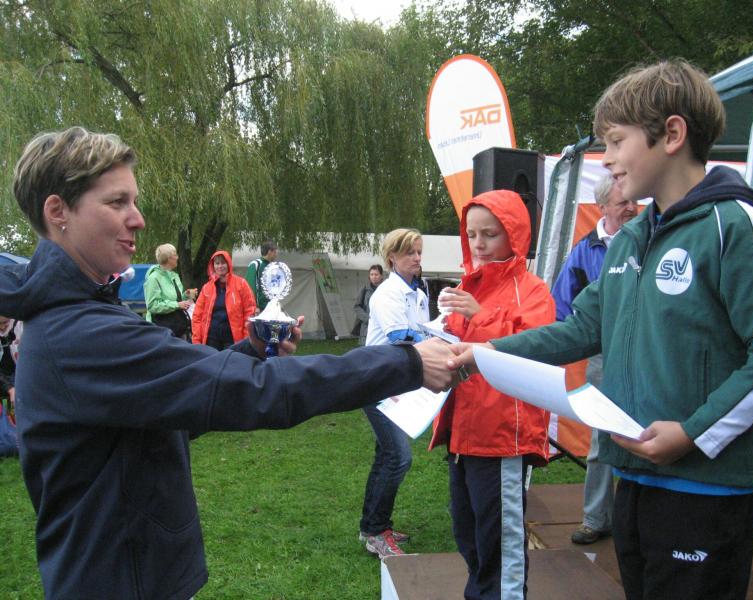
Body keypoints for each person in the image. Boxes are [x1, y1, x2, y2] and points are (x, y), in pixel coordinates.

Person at [2, 126, 458, 600]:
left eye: (133, 201)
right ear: (58, 212)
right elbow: (255, 391)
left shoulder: (77, 316)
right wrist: (406, 363)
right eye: (117, 202)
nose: (137, 218)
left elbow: (173, 406)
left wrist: (250, 350)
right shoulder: (80, 333)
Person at [448, 60, 753, 600]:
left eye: (616, 141)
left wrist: (694, 432)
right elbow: (579, 329)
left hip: (706, 486)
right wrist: (486, 351)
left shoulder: (735, 225)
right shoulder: (632, 238)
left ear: (672, 135)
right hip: (631, 475)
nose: (607, 158)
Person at [432, 190, 555, 599]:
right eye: (471, 235)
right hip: (463, 436)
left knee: (500, 548)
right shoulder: (471, 286)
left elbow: (533, 346)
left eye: (490, 234)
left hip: (502, 437)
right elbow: (459, 348)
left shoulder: (532, 290)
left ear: (514, 235)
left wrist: (478, 315)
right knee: (468, 536)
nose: (479, 244)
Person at [550, 174, 637, 545]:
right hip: (604, 353)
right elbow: (561, 307)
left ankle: (643, 522)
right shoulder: (584, 250)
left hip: (648, 351)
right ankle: (596, 518)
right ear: (602, 207)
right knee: (604, 435)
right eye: (623, 203)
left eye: (634, 201)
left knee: (651, 431)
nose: (632, 208)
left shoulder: (651, 238)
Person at [360, 228, 429, 559]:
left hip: (394, 384)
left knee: (386, 456)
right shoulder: (387, 293)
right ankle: (376, 531)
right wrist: (438, 339)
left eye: (419, 252)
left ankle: (373, 527)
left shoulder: (417, 292)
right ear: (392, 258)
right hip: (376, 383)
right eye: (409, 253)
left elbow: (422, 331)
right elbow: (402, 336)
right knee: (399, 458)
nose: (417, 258)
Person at [192, 250, 256, 350]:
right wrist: (196, 341)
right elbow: (197, 316)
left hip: (233, 339)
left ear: (228, 264)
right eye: (217, 263)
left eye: (223, 263)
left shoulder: (241, 284)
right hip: (211, 338)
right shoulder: (206, 288)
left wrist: (245, 339)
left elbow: (250, 312)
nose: (220, 266)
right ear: (213, 266)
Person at [144, 243, 196, 340]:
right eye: (175, 255)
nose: (177, 257)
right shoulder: (153, 278)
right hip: (161, 329)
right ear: (169, 258)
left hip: (178, 326)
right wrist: (177, 305)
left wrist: (185, 295)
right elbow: (152, 305)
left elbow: (175, 299)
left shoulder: (174, 275)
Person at [352, 264, 383, 345]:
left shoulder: (386, 289)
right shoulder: (365, 289)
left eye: (376, 274)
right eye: (371, 274)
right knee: (366, 350)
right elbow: (357, 306)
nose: (374, 277)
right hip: (366, 328)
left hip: (382, 326)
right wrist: (367, 318)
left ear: (381, 276)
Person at [246, 239, 278, 311]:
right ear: (269, 251)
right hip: (259, 309)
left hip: (270, 308)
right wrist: (255, 306)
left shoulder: (273, 267)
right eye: (275, 252)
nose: (276, 255)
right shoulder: (256, 264)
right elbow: (250, 286)